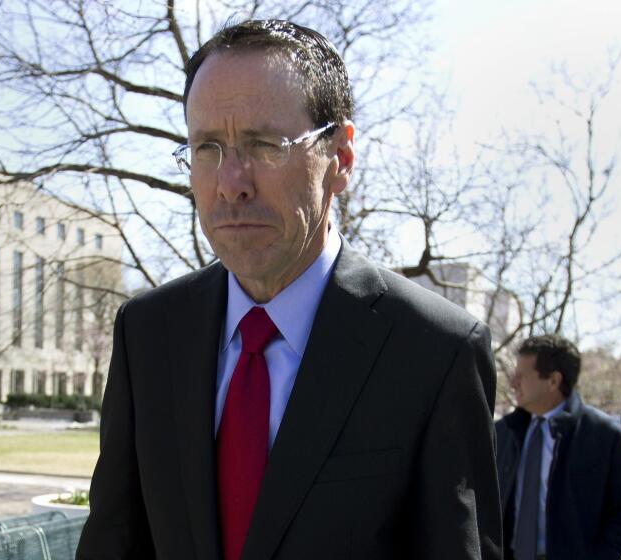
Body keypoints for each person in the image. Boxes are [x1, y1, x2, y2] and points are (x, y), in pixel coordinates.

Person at [76, 19, 501, 560]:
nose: (232, 182)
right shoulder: (148, 332)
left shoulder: (435, 350)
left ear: (341, 159)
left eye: (265, 144)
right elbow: (114, 542)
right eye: (207, 147)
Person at [496, 334, 621, 560]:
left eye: (521, 376)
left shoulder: (606, 436)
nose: (513, 383)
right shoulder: (503, 432)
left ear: (553, 380)